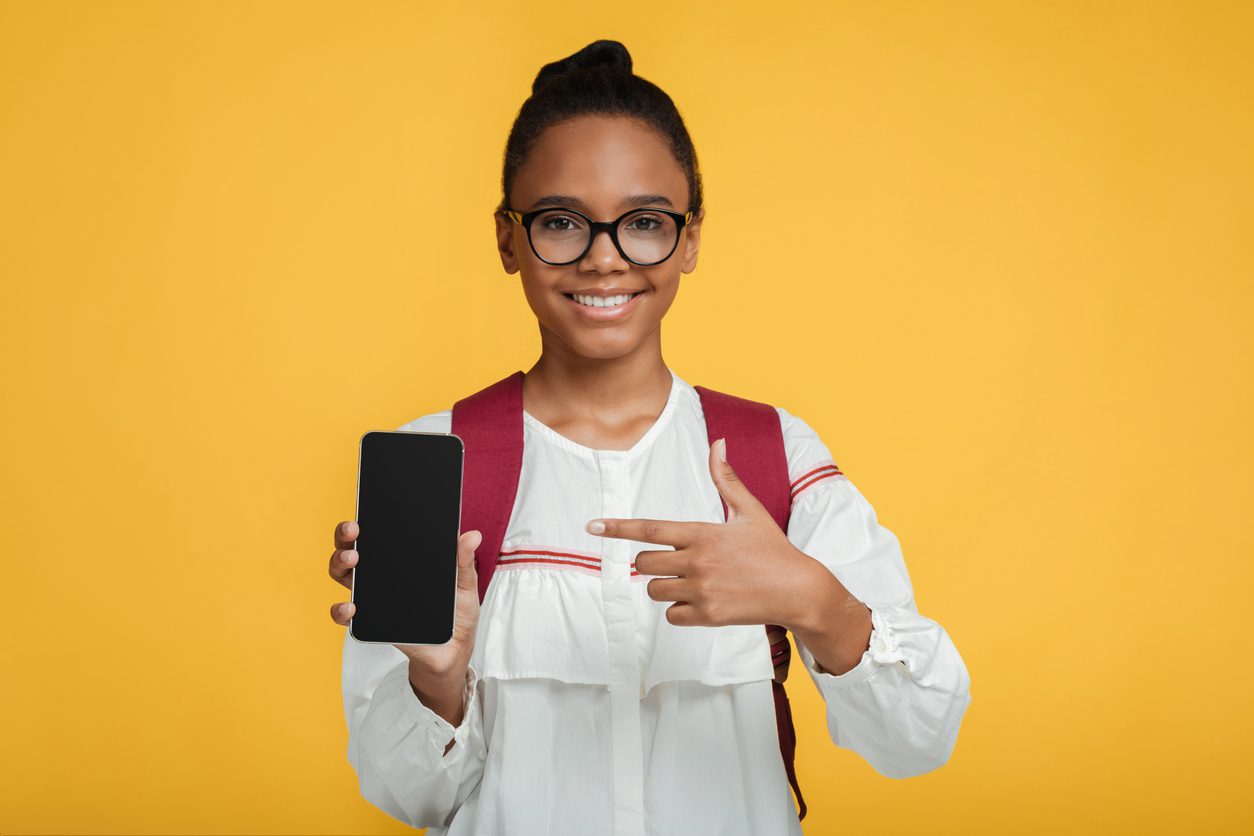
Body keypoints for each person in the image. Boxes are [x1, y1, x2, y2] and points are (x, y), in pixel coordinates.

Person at [327, 39, 971, 835]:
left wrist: (813, 600)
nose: (604, 259)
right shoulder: (437, 460)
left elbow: (919, 740)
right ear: (507, 238)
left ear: (690, 237)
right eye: (560, 222)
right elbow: (408, 796)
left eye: (643, 223)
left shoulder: (775, 455)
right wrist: (439, 679)